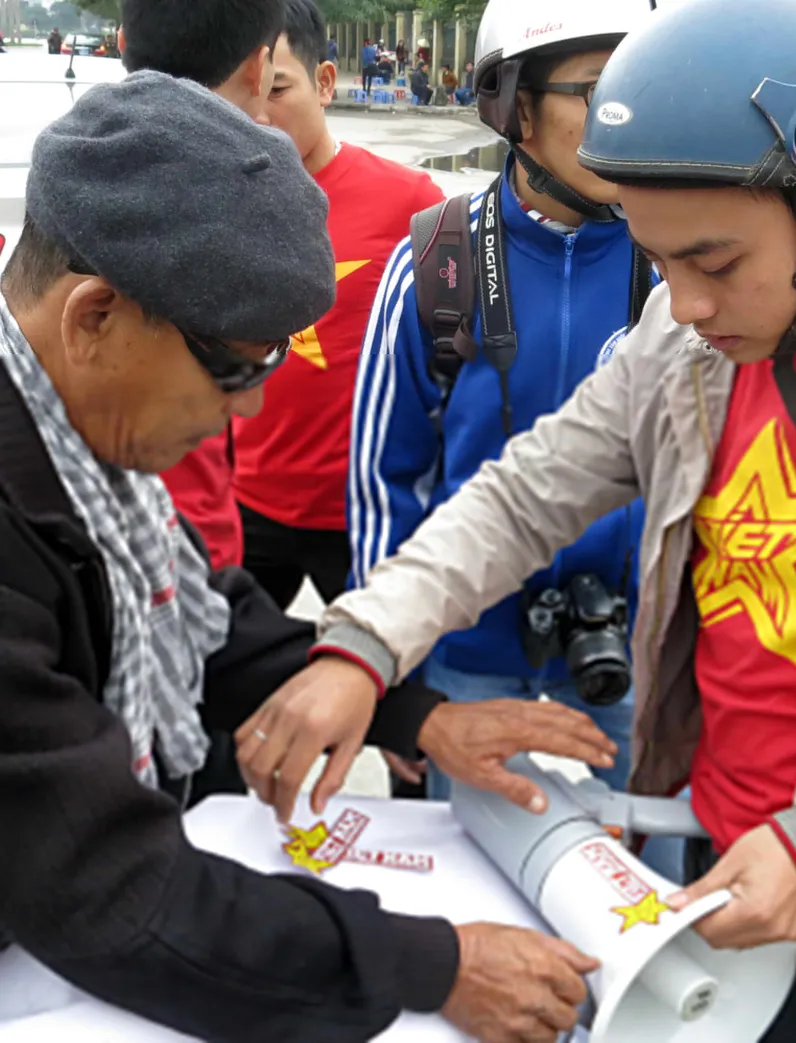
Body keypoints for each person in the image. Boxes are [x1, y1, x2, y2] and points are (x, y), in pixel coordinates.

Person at [237, 0, 796, 1040]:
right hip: (701, 857)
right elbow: (523, 494)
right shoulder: (683, 349)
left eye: (714, 264)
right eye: (658, 260)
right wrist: (366, 644)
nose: (681, 305)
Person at [0, 70, 615, 1043]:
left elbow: (203, 620)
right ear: (95, 317)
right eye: (234, 367)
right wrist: (431, 964)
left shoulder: (78, 450)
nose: (247, 408)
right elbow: (109, 886)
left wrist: (415, 715)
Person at [342, 0, 656, 804]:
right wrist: (397, 677)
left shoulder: (679, 262)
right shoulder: (436, 265)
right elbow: (384, 484)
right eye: (598, 89)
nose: (628, 114)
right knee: (466, 860)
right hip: (465, 650)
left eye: (642, 84)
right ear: (515, 105)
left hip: (631, 644)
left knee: (651, 857)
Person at [232, 0, 444, 612]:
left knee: (382, 665)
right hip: (246, 501)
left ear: (324, 83)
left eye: (277, 90)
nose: (257, 115)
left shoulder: (410, 202)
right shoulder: (217, 199)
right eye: (242, 93)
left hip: (364, 512)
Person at [119, 0, 283, 569]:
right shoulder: (262, 193)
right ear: (259, 67)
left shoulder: (78, 177)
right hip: (197, 543)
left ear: (122, 43)